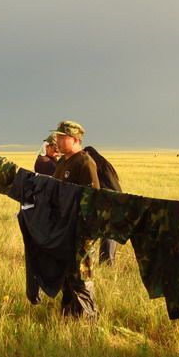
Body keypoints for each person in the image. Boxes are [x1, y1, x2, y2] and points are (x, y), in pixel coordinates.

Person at [51, 120, 100, 317]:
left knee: (82, 276)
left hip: (81, 232)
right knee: (66, 274)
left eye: (62, 137)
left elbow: (93, 200)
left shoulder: (85, 163)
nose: (58, 141)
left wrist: (84, 231)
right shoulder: (62, 162)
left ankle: (87, 319)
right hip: (63, 230)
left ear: (75, 139)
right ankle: (69, 314)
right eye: (58, 137)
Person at [84, 145, 121, 265]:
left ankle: (105, 262)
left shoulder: (94, 165)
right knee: (108, 233)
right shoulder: (104, 163)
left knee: (104, 233)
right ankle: (107, 262)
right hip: (116, 200)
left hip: (108, 201)